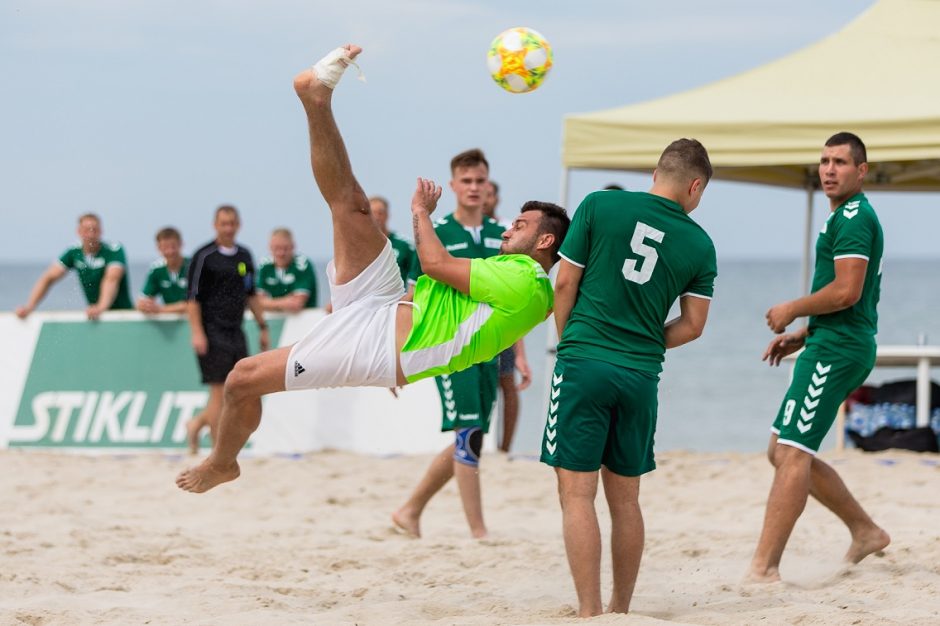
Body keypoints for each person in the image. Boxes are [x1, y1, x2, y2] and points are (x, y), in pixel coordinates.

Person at [175, 43, 569, 496]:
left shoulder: (528, 281)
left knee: (243, 379)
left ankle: (223, 463)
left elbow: (435, 264)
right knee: (352, 208)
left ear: (543, 242)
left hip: (380, 347)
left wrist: (420, 211)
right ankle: (316, 98)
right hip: (387, 305)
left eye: (520, 225)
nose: (509, 227)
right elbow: (439, 290)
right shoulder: (513, 269)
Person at [542, 139, 717, 616]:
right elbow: (693, 326)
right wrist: (643, 341)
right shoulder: (701, 243)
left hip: (584, 364)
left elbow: (564, 283)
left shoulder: (600, 204)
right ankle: (620, 609)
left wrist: (571, 341)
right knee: (627, 502)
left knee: (577, 493)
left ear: (656, 171)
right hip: (641, 376)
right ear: (694, 185)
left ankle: (588, 611)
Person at [747, 132, 890, 583]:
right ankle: (864, 530)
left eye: (841, 162)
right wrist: (804, 334)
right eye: (825, 161)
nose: (829, 169)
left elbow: (847, 292)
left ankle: (764, 569)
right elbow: (854, 296)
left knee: (792, 453)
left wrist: (793, 308)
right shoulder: (843, 217)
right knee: (783, 451)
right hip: (830, 341)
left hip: (840, 349)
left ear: (861, 171)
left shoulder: (854, 218)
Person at [393, 151, 515, 539]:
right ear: (454, 186)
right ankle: (478, 531)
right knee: (467, 432)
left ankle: (409, 511)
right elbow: (411, 295)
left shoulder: (502, 235)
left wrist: (519, 355)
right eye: (466, 181)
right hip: (449, 347)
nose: (474, 188)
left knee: (473, 433)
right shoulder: (438, 231)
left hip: (491, 348)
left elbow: (515, 299)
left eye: (480, 180)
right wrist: (398, 355)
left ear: (488, 185)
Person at [184, 205, 269, 454]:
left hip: (236, 331)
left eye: (232, 223)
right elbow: (192, 299)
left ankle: (196, 424)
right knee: (219, 391)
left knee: (236, 389)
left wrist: (262, 326)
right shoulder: (204, 256)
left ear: (238, 225)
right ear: (215, 225)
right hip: (211, 331)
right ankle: (217, 449)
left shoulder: (244, 255)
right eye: (224, 223)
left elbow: (251, 294)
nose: (228, 228)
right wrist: (197, 332)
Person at [482, 180, 531, 453]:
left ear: (496, 199)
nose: (484, 199)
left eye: (489, 194)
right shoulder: (469, 231)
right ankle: (479, 442)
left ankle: (505, 447)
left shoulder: (507, 233)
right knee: (482, 383)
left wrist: (522, 353)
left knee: (506, 382)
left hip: (505, 321)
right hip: (479, 320)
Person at [16, 213, 133, 320]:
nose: (91, 234)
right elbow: (48, 278)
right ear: (79, 231)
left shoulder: (114, 250)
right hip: (97, 316)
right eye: (87, 230)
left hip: (123, 315)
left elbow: (111, 279)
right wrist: (29, 307)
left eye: (95, 230)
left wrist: (100, 307)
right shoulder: (74, 252)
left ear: (101, 231)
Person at [256, 228, 318, 312]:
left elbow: (297, 303)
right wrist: (284, 302)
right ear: (270, 247)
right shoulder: (264, 265)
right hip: (273, 321)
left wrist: (268, 302)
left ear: (293, 246)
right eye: (277, 248)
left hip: (303, 321)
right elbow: (256, 301)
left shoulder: (302, 265)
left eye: (285, 248)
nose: (281, 253)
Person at [137, 227, 189, 314]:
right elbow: (143, 299)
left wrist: (161, 309)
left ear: (181, 244)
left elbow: (196, 304)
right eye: (165, 247)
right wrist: (145, 305)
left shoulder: (194, 267)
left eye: (173, 247)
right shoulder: (157, 269)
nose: (170, 251)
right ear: (158, 248)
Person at [369, 195, 418, 284]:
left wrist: (408, 296)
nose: (376, 217)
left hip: (398, 296)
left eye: (380, 213)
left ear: (387, 215)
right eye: (373, 213)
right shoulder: (357, 247)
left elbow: (418, 274)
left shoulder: (405, 245)